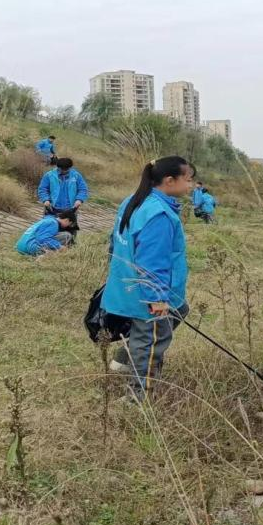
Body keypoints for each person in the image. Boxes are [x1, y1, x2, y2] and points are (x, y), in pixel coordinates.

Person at [102, 156, 196, 400]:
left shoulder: (134, 200)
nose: (192, 185)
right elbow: (152, 262)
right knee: (151, 342)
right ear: (169, 180)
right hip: (146, 295)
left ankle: (126, 355)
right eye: (188, 180)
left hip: (127, 285)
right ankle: (138, 398)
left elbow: (114, 242)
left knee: (180, 309)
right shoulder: (158, 215)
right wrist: (156, 299)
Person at [37, 157, 89, 225]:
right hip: (52, 208)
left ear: (70, 167)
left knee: (69, 229)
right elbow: (43, 189)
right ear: (58, 167)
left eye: (66, 169)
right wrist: (45, 200)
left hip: (71, 209)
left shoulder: (76, 175)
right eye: (62, 169)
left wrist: (79, 200)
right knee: (49, 227)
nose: (64, 171)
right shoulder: (49, 175)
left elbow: (83, 189)